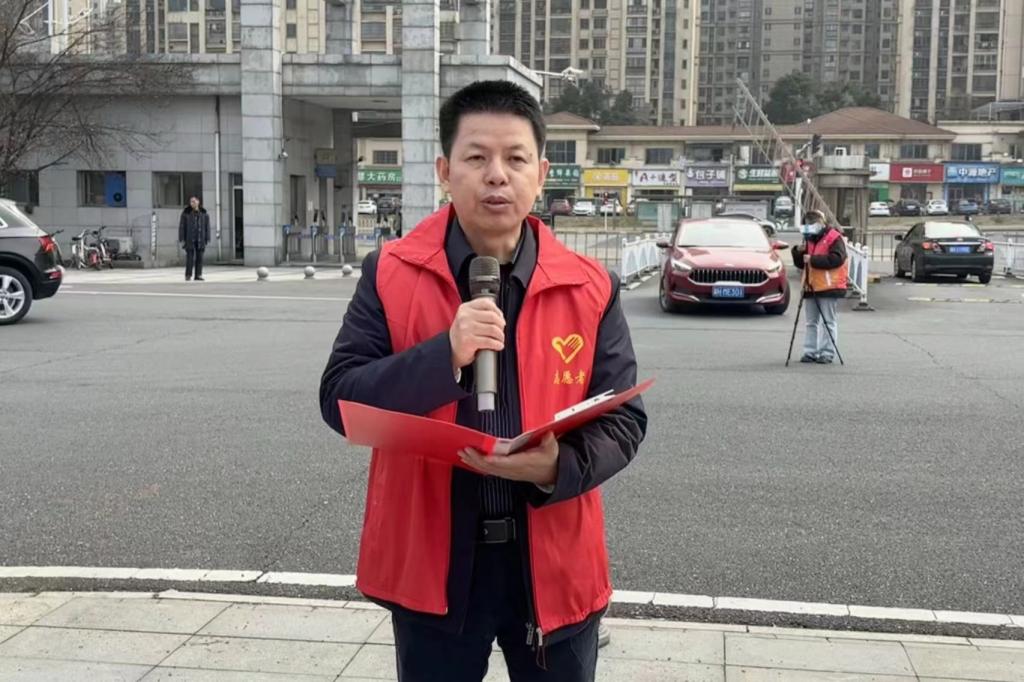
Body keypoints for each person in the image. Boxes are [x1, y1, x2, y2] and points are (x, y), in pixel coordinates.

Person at [319, 80, 647, 682]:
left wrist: (557, 467)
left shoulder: (589, 284)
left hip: (552, 559)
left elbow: (623, 419)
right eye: (476, 157)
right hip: (434, 562)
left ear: (541, 174)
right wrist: (443, 355)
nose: (497, 175)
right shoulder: (391, 272)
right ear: (445, 171)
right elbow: (340, 399)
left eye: (515, 158)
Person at [791, 209, 848, 364]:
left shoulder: (834, 238)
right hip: (811, 285)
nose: (808, 231)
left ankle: (827, 353)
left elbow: (837, 259)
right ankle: (810, 352)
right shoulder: (809, 239)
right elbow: (802, 264)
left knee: (828, 322)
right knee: (811, 322)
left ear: (819, 224)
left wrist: (813, 259)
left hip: (829, 286)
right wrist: (797, 252)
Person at [178, 196, 210, 281]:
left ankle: (198, 275)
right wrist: (182, 238)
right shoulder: (186, 213)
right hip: (189, 238)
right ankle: (188, 275)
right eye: (191, 202)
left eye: (194, 201)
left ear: (198, 202)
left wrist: (207, 238)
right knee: (190, 258)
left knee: (200, 258)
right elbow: (182, 226)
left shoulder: (204, 213)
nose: (192, 203)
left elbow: (207, 227)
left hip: (200, 238)